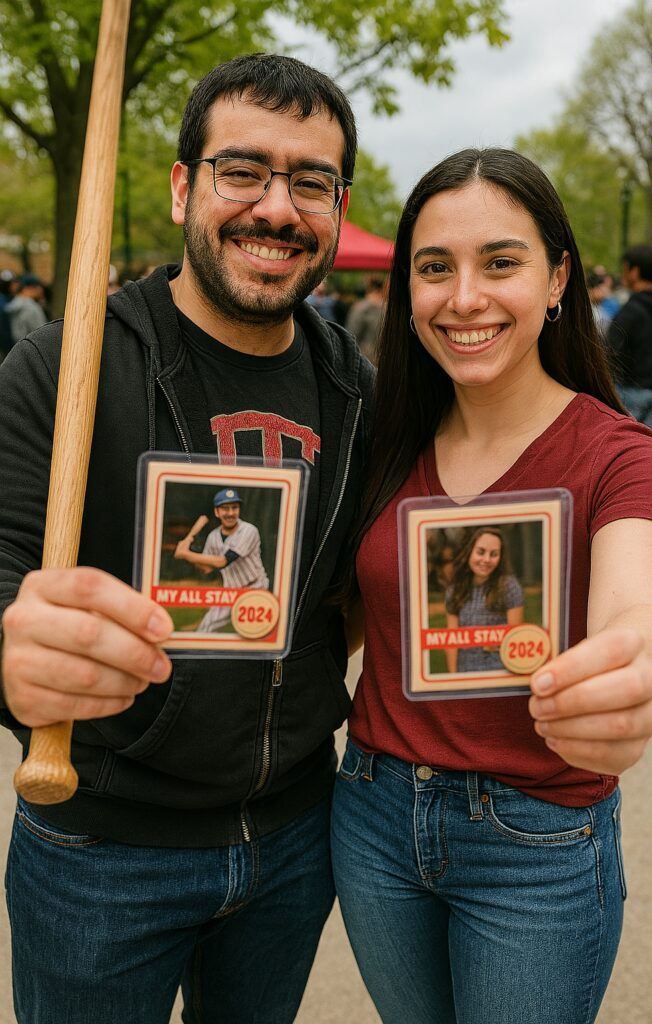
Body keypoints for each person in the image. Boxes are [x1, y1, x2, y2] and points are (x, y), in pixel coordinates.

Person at [0, 54, 374, 1024]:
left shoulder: (357, 384)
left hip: (293, 836)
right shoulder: (62, 362)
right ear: (182, 187)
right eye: (242, 171)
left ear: (338, 205)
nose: (276, 208)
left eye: (310, 182)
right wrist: (13, 649)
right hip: (102, 851)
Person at [331, 148, 652, 1024]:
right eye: (434, 268)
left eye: (500, 263)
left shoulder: (620, 455)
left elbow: (635, 611)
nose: (464, 298)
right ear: (406, 293)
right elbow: (341, 618)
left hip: (536, 835)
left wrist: (628, 677)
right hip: (372, 817)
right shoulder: (380, 443)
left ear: (557, 277)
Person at [606, 243, 652, 448]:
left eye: (626, 268)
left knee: (631, 451)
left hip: (634, 391)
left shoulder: (631, 311)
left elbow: (610, 349)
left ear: (635, 271)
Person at [174, 487, 269, 632]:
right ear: (216, 512)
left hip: (255, 588)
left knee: (256, 635)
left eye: (234, 508)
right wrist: (187, 552)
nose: (230, 513)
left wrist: (185, 554)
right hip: (230, 592)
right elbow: (206, 568)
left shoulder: (249, 530)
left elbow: (222, 561)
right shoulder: (213, 536)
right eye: (225, 508)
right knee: (204, 630)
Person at [444, 526, 523, 673]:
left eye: (494, 554)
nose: (486, 560)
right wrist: (453, 681)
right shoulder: (454, 591)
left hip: (499, 671)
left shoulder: (509, 587)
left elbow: (516, 640)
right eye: (481, 552)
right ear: (469, 552)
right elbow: (451, 643)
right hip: (465, 671)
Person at [345, 275, 386, 363]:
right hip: (385, 356)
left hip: (365, 357)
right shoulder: (388, 308)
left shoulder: (360, 307)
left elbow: (352, 334)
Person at [5, 272, 48, 344]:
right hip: (34, 349)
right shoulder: (31, 308)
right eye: (38, 286)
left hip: (17, 349)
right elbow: (42, 335)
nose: (41, 290)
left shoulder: (13, 305)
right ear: (30, 288)